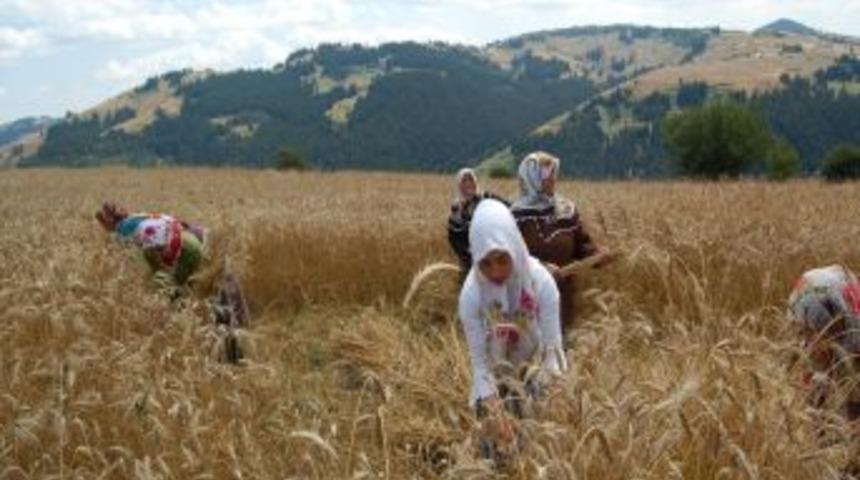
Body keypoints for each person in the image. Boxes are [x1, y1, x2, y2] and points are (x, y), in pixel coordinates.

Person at [458, 199, 567, 424]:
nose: (495, 271)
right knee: (493, 440)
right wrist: (493, 406)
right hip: (492, 374)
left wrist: (549, 402)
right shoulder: (471, 296)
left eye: (502, 259)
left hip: (535, 369)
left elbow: (552, 353)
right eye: (485, 264)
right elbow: (480, 364)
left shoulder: (542, 283)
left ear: (514, 248)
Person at [511, 151, 613, 332]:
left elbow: (581, 245)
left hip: (562, 296)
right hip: (527, 296)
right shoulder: (515, 215)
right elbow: (509, 255)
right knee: (530, 350)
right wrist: (541, 267)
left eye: (553, 173)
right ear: (531, 177)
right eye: (545, 175)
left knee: (561, 346)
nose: (552, 179)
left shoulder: (566, 209)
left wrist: (597, 255)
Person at [788, 265, 860, 421]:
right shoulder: (798, 312)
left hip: (840, 295)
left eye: (821, 335)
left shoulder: (854, 330)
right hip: (817, 293)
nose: (814, 346)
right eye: (807, 333)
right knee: (816, 384)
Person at [447, 168, 509, 273]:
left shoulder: (488, 198)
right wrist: (468, 254)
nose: (468, 184)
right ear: (459, 185)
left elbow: (508, 208)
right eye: (464, 181)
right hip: (469, 261)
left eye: (471, 180)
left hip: (494, 254)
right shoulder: (456, 208)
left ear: (476, 182)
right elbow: (454, 236)